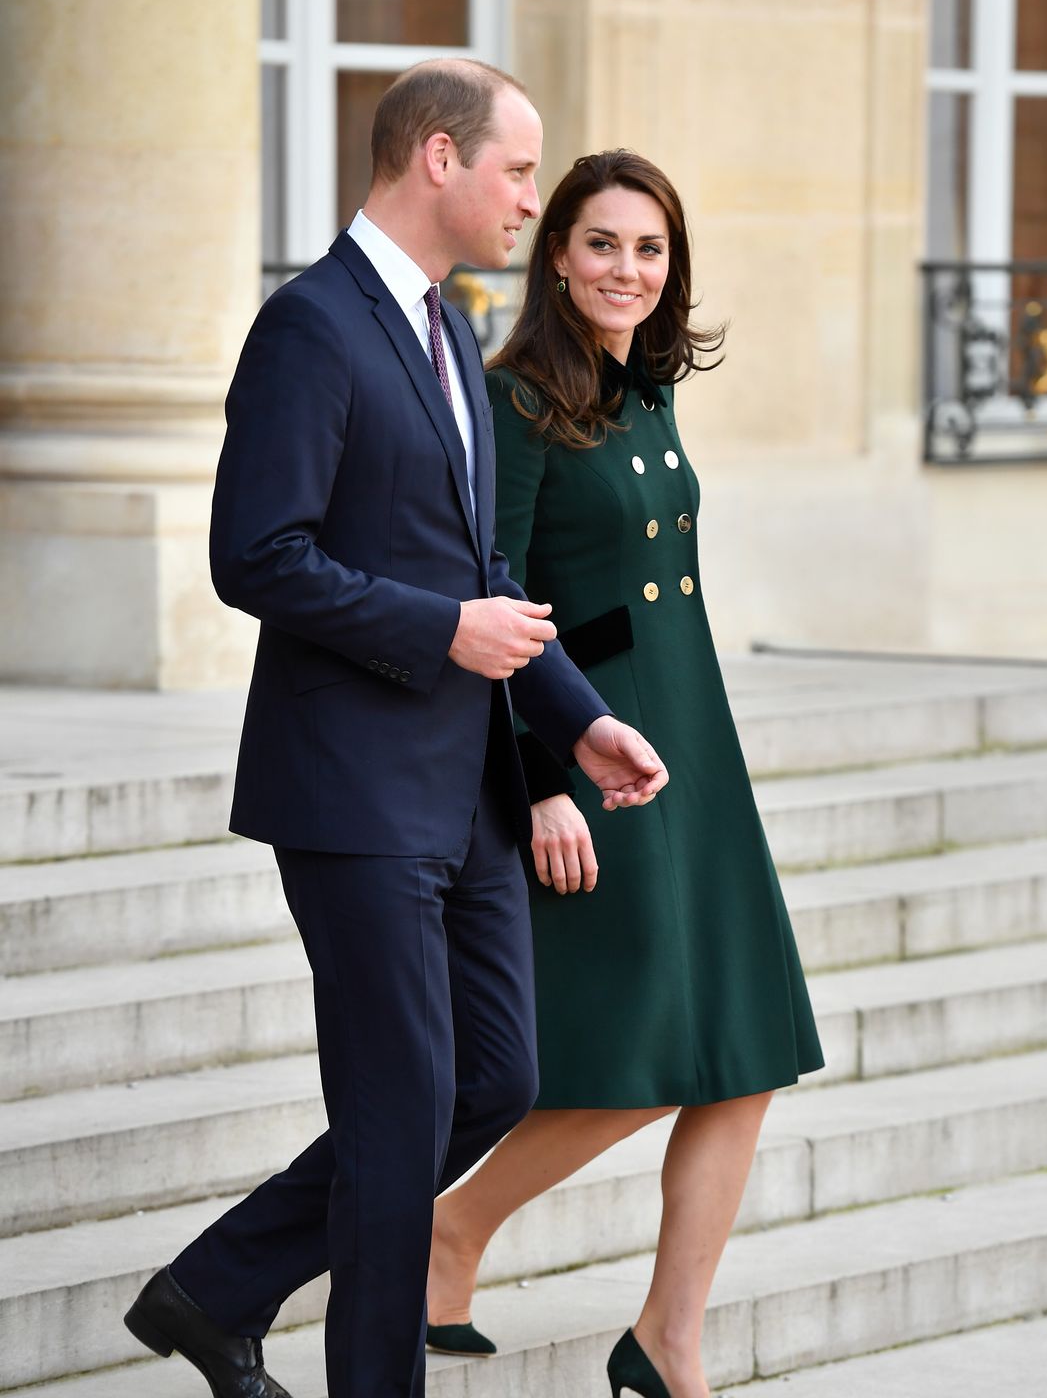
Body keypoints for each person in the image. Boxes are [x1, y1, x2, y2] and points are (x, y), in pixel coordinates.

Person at [122, 67, 669, 1398]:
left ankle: (218, 1287)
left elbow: (484, 575)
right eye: (520, 172)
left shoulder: (449, 334)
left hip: (469, 792)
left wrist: (578, 721)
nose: (533, 201)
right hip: (351, 792)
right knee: (395, 1119)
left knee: (493, 1077)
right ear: (438, 157)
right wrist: (439, 630)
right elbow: (256, 556)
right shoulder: (311, 327)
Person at [424, 150, 825, 1398]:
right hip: (597, 751)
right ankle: (451, 1229)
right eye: (602, 243)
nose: (627, 270)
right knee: (650, 1052)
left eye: (649, 250)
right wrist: (541, 773)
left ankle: (668, 1341)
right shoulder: (516, 401)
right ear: (555, 254)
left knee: (748, 1051)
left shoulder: (643, 394)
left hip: (691, 744)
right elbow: (495, 597)